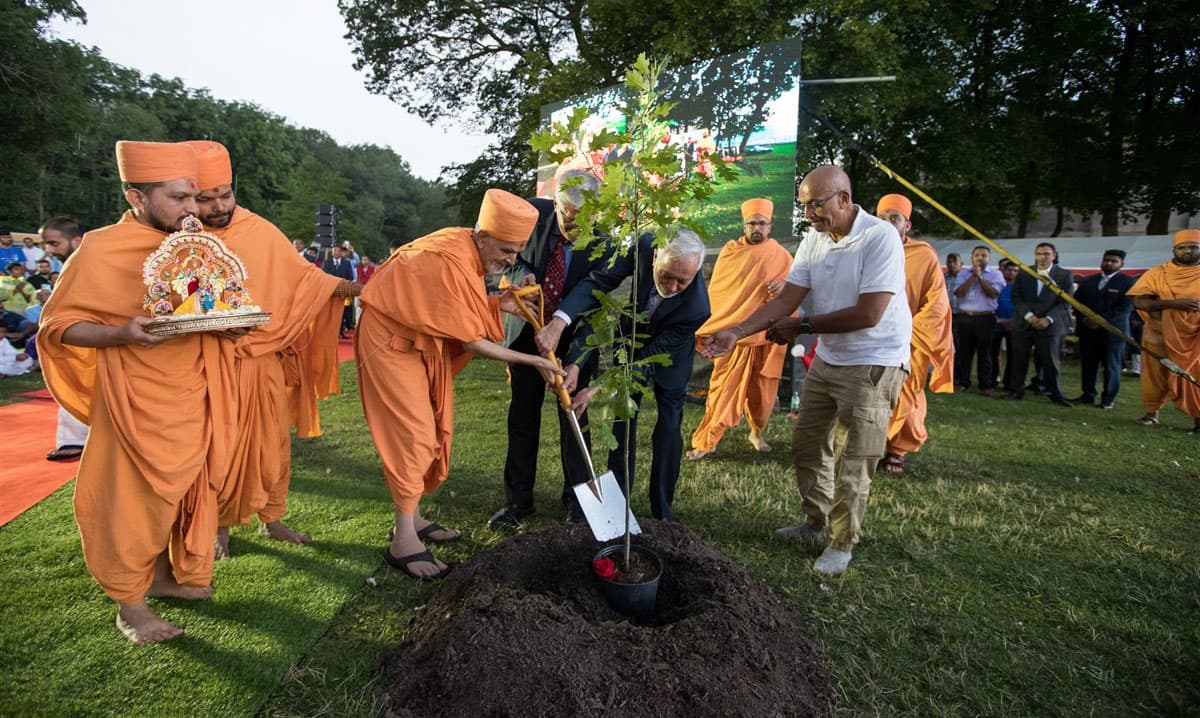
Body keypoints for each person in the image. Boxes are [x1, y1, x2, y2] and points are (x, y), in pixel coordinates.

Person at [38, 140, 244, 645]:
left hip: (194, 390)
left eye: (194, 198)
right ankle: (130, 607)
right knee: (132, 502)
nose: (192, 210)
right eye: (178, 199)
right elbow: (58, 327)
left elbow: (206, 308)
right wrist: (118, 334)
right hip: (134, 401)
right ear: (136, 197)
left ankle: (161, 577)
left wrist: (229, 327)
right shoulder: (103, 248)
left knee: (180, 497)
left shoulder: (195, 246)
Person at [702, 166, 910, 575]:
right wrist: (737, 333)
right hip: (831, 357)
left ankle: (841, 542)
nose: (810, 213)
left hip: (874, 361)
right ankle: (816, 524)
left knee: (856, 458)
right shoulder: (815, 239)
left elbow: (869, 314)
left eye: (817, 204)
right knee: (808, 445)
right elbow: (787, 300)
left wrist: (802, 327)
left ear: (845, 199)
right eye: (804, 206)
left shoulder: (879, 237)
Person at [356, 189, 564, 579]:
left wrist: (496, 304)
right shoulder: (446, 258)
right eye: (506, 250)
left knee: (430, 429)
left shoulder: (466, 249)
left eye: (518, 252)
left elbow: (444, 307)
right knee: (413, 437)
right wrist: (533, 360)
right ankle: (402, 542)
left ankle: (413, 520)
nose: (512, 261)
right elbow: (469, 339)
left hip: (417, 341)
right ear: (482, 235)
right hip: (388, 344)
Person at [186, 140, 356, 558]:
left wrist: (351, 288)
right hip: (208, 363)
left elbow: (304, 278)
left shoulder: (260, 230)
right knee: (219, 447)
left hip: (263, 362)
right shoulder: (182, 238)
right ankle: (220, 526)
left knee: (272, 445)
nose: (218, 206)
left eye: (224, 195)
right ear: (191, 199)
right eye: (206, 199)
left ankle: (272, 517)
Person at [555, 229, 710, 521]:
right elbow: (600, 285)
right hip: (631, 338)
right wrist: (571, 345)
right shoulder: (643, 245)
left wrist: (596, 387)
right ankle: (617, 503)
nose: (674, 286)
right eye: (666, 276)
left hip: (670, 357)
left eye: (683, 281)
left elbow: (647, 361)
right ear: (654, 257)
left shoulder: (697, 308)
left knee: (669, 425)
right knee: (622, 420)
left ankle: (661, 512)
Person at [489, 169, 612, 528]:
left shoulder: (604, 244)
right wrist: (520, 276)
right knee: (522, 415)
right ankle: (518, 502)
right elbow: (507, 258)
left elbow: (594, 302)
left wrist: (574, 359)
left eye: (583, 220)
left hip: (573, 338)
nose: (575, 229)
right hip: (527, 332)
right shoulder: (531, 215)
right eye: (568, 219)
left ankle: (577, 500)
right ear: (555, 203)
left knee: (573, 414)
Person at [686, 198, 792, 460]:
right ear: (744, 225)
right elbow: (720, 291)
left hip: (766, 337)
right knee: (722, 389)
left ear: (770, 226)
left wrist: (784, 286)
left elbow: (794, 291)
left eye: (762, 223)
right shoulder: (731, 251)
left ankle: (756, 431)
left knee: (764, 396)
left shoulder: (781, 256)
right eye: (752, 223)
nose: (757, 227)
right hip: (732, 338)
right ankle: (707, 441)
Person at [874, 194, 953, 475]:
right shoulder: (867, 250)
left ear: (907, 225)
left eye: (893, 219)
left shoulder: (924, 255)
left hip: (911, 339)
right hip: (872, 336)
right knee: (870, 392)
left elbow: (938, 301)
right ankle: (871, 446)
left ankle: (897, 449)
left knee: (906, 393)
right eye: (881, 219)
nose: (886, 224)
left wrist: (910, 330)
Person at [1126, 230, 1200, 433]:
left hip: (1195, 337)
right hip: (1159, 333)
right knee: (1154, 375)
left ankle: (1198, 420)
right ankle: (1151, 414)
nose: (1187, 251)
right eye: (1182, 247)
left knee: (1195, 375)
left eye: (1193, 247)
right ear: (1174, 250)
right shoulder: (1158, 272)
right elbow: (1139, 301)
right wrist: (1174, 304)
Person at [39, 216, 90, 461]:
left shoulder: (97, 261)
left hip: (103, 332)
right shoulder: (69, 266)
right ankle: (74, 439)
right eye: (45, 244)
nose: (48, 250)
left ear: (77, 240)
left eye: (53, 243)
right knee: (72, 378)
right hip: (78, 334)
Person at [1005, 243, 1074, 406]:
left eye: (1046, 254)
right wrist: (1029, 316)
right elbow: (1016, 297)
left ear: (1054, 256)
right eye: (1039, 254)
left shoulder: (1064, 275)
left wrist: (1048, 319)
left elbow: (1065, 302)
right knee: (1019, 358)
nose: (1042, 257)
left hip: (1050, 325)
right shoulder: (1024, 272)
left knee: (1050, 360)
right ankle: (1016, 391)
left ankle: (1055, 394)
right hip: (1024, 323)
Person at [1072, 250, 1135, 408]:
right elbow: (1076, 302)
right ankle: (1088, 394)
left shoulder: (1128, 282)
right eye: (1106, 260)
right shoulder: (1088, 281)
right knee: (1088, 364)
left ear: (1121, 264)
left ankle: (1108, 399)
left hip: (1113, 332)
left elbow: (1125, 308)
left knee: (1111, 366)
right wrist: (1084, 318)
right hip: (1088, 330)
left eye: (1113, 261)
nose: (1108, 263)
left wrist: (1100, 321)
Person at [952, 246, 1004, 394]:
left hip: (985, 317)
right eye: (977, 255)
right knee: (964, 353)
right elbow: (959, 293)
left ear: (989, 257)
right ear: (972, 257)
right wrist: (973, 276)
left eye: (983, 255)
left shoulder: (996, 274)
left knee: (985, 353)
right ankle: (962, 381)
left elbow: (993, 293)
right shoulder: (963, 273)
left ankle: (985, 384)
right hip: (965, 317)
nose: (980, 258)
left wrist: (980, 277)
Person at [990, 259, 1019, 392]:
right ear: (1003, 270)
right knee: (993, 353)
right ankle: (992, 379)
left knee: (1013, 355)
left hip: (1013, 325)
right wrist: (997, 319)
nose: (1012, 273)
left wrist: (1011, 321)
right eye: (1009, 270)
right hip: (996, 324)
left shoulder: (1020, 288)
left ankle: (1009, 382)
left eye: (1015, 271)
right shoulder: (998, 285)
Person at [323, 245, 356, 337]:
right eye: (334, 251)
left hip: (342, 292)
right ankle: (330, 332)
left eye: (338, 251)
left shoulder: (347, 263)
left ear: (341, 252)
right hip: (330, 292)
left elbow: (350, 277)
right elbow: (323, 276)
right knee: (329, 313)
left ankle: (340, 332)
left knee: (342, 313)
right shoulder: (327, 262)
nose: (336, 253)